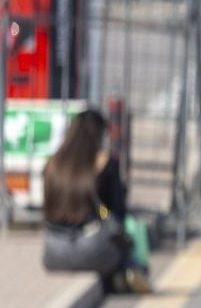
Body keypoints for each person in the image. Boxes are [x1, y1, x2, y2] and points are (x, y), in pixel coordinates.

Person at [41, 110, 149, 293]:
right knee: (123, 232)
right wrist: (105, 214)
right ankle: (131, 269)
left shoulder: (53, 165)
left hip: (53, 250)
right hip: (92, 249)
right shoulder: (105, 163)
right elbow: (117, 212)